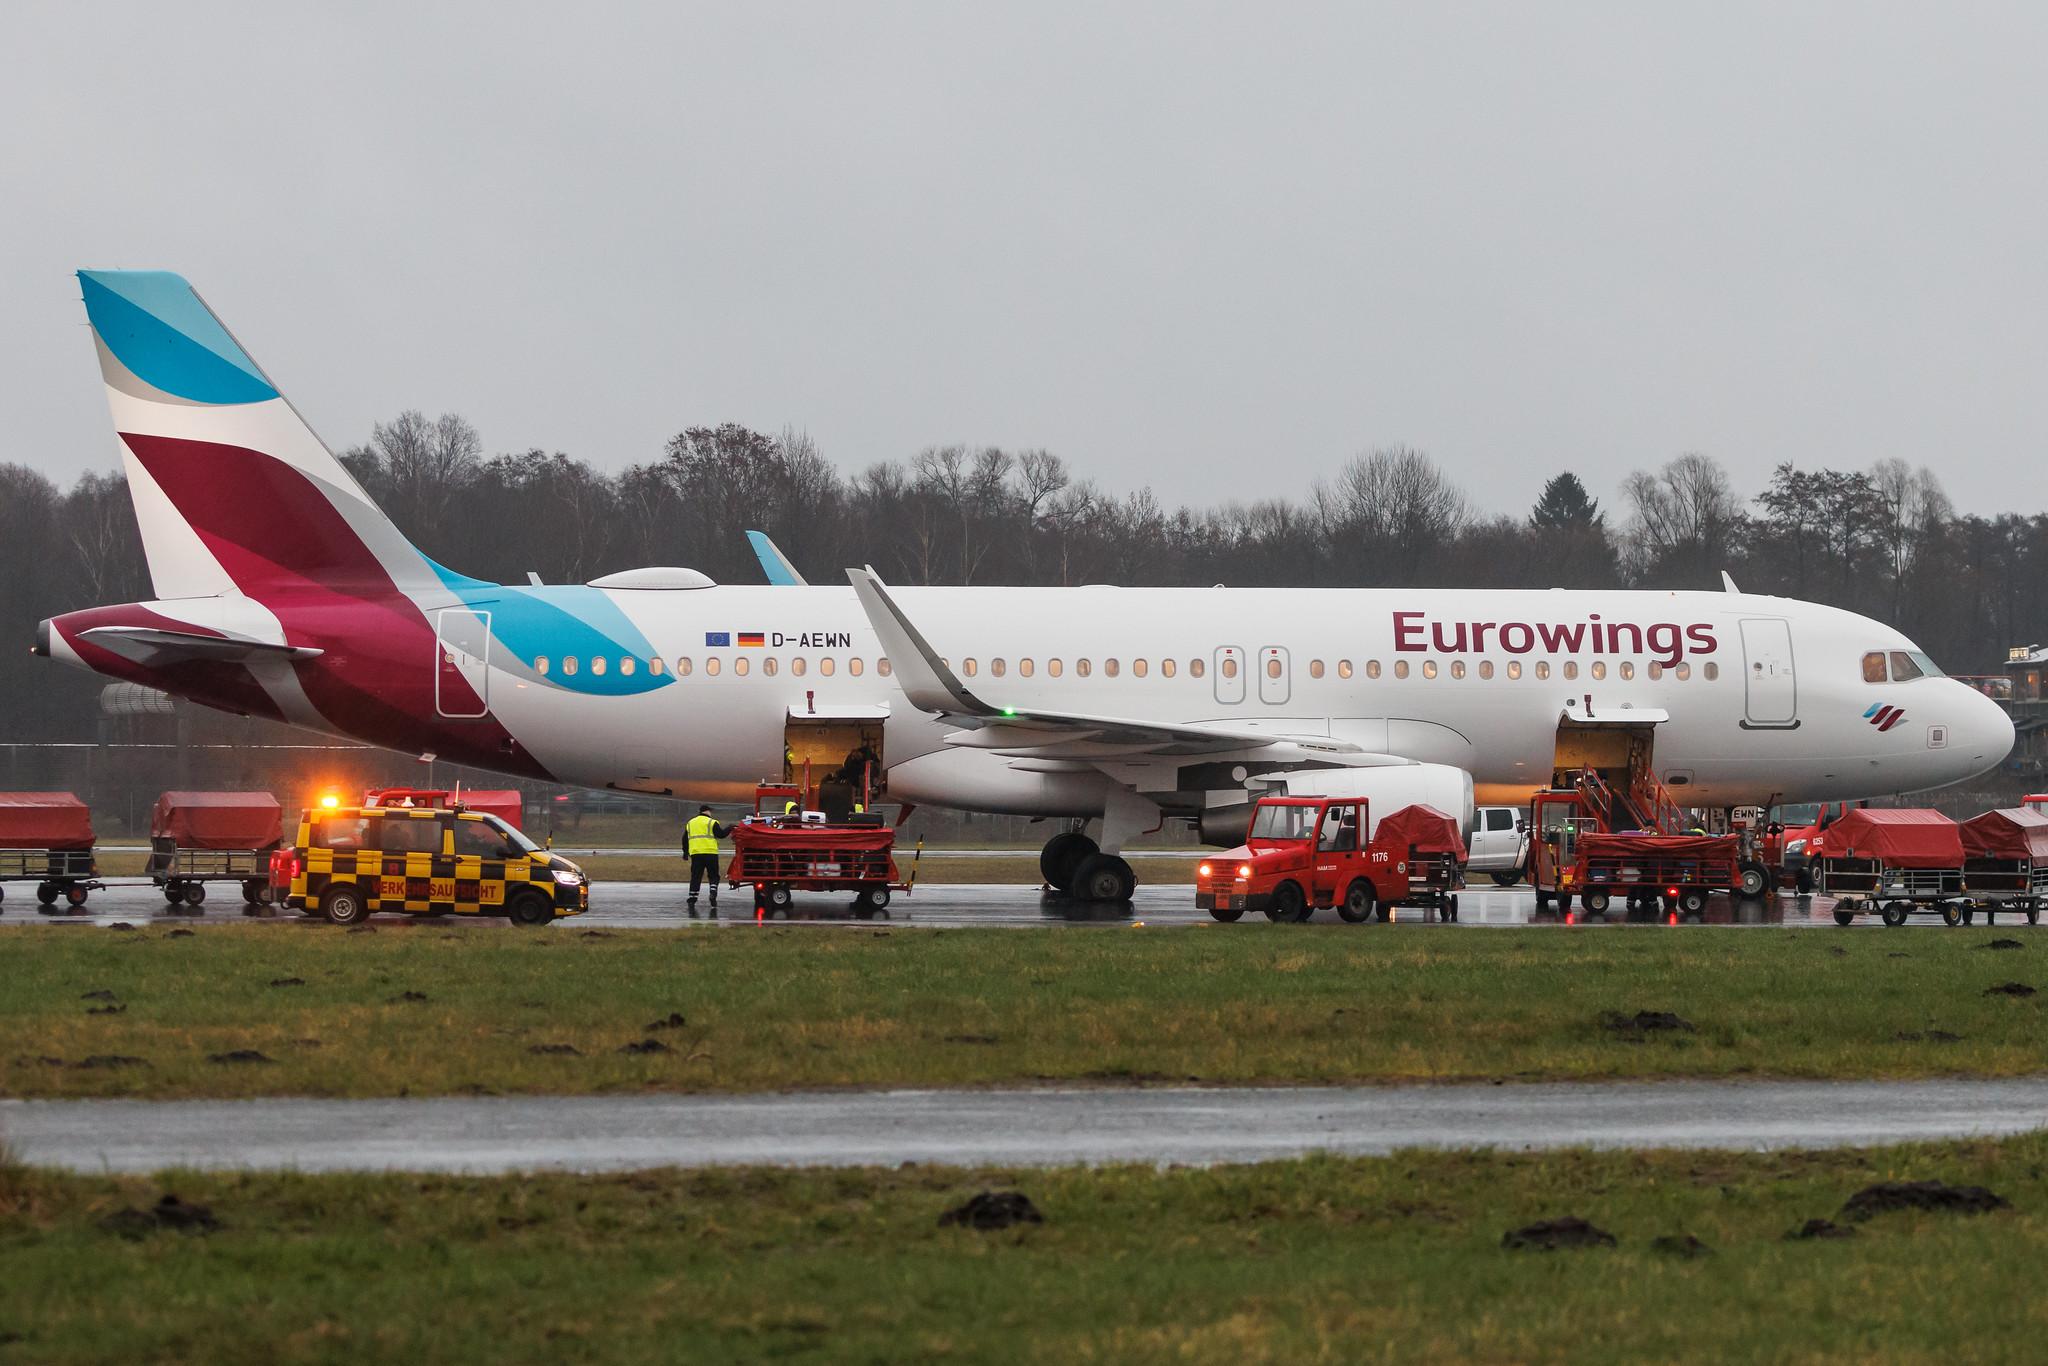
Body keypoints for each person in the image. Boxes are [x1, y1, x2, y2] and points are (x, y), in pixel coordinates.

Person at [684, 805, 729, 918]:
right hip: (710, 853)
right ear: (708, 811)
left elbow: (684, 838)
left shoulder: (691, 823)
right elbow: (721, 835)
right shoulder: (712, 822)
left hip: (696, 854)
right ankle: (713, 894)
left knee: (696, 877)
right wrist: (730, 827)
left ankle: (692, 899)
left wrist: (685, 852)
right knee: (713, 875)